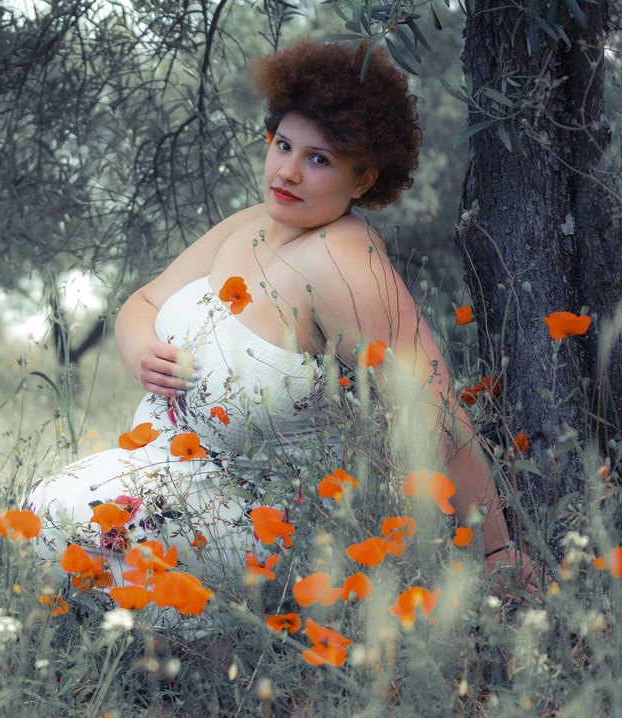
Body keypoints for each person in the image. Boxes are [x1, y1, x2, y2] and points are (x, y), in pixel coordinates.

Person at [26, 40, 538, 622]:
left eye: (319, 160)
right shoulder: (250, 224)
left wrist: (497, 551)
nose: (288, 172)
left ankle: (214, 662)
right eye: (283, 145)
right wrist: (141, 350)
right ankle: (159, 662)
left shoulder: (344, 264)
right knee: (46, 514)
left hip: (263, 517)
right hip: (168, 473)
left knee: (71, 521)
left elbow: (432, 404)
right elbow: (142, 302)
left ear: (363, 178)